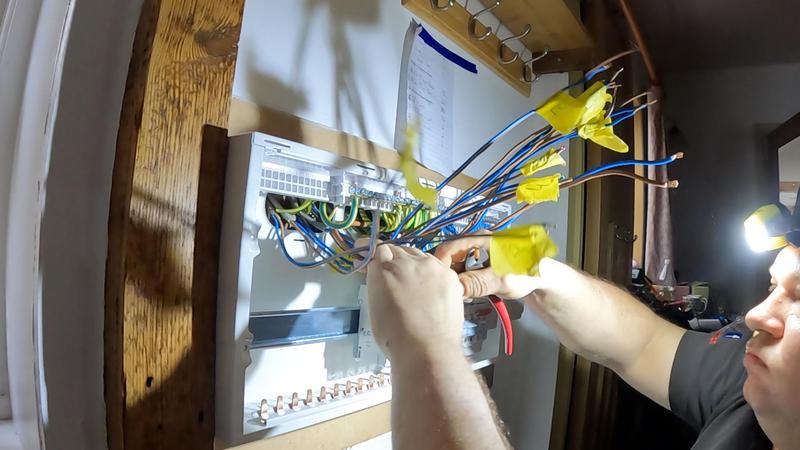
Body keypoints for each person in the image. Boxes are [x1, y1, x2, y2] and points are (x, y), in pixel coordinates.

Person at [364, 237, 800, 450]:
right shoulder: (750, 385)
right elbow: (642, 342)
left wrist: (425, 344)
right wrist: (539, 272)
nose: (756, 316)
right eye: (772, 286)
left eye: (798, 301)